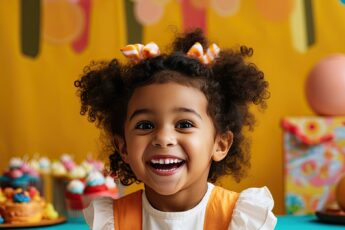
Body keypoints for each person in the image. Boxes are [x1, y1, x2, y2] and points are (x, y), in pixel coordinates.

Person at [75, 29, 277, 230]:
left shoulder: (239, 219)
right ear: (124, 148)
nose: (163, 138)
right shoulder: (112, 221)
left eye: (184, 124)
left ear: (220, 144)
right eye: (145, 125)